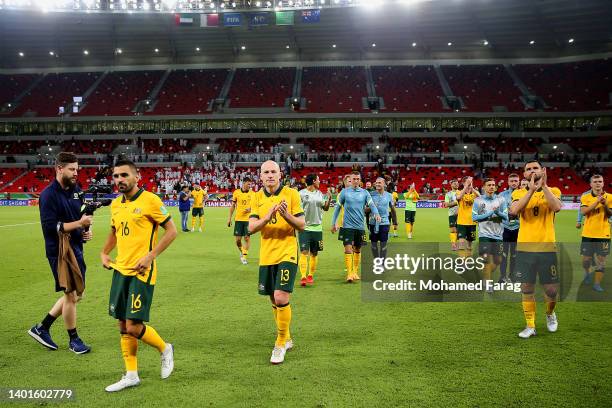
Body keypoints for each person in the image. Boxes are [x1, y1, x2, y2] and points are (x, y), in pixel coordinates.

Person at [101, 159, 177, 391]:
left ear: (137, 177)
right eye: (116, 176)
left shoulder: (151, 200)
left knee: (134, 326)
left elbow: (172, 231)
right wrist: (105, 252)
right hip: (120, 270)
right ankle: (131, 374)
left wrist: (150, 256)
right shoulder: (115, 205)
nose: (120, 180)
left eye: (124, 175)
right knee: (122, 325)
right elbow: (115, 230)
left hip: (141, 271)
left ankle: (165, 349)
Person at [28, 152, 93, 354]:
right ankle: (74, 340)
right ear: (59, 168)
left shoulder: (76, 189)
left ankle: (42, 327)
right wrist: (79, 224)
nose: (76, 173)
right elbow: (50, 228)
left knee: (77, 294)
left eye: (77, 169)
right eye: (72, 169)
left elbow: (81, 211)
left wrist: (85, 229)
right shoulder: (48, 195)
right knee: (71, 295)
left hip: (76, 247)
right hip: (59, 252)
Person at [248, 160, 305, 365]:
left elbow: (302, 225)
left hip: (287, 252)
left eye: (273, 171)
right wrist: (268, 216)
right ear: (261, 176)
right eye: (266, 172)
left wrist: (285, 214)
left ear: (280, 175)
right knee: (273, 299)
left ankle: (280, 343)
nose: (270, 175)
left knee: (281, 296)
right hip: (267, 255)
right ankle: (287, 337)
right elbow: (251, 227)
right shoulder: (256, 197)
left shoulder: (291, 194)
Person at [510, 161, 562, 339]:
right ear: (524, 174)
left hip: (547, 248)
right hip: (525, 249)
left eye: (535, 168)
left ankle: (550, 314)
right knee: (526, 288)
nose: (532, 171)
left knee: (551, 291)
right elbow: (514, 210)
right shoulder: (518, 193)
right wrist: (531, 190)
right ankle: (530, 325)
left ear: (543, 171)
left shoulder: (553, 190)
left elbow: (556, 207)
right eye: (528, 169)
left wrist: (544, 186)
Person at [331, 171, 381, 282]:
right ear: (351, 179)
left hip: (360, 226)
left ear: (360, 180)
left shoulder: (365, 193)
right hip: (347, 226)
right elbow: (337, 208)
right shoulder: (344, 192)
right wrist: (333, 222)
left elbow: (372, 205)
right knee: (348, 249)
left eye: (358, 179)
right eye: (354, 179)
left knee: (358, 249)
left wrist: (376, 213)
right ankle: (349, 274)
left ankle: (355, 271)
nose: (356, 181)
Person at [472, 178, 508, 293]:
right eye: (489, 185)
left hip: (498, 235)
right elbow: (474, 217)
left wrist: (497, 212)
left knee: (498, 260)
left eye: (493, 185)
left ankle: (485, 277)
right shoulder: (478, 200)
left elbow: (506, 217)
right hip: (484, 234)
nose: (492, 187)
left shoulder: (501, 200)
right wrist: (490, 213)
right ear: (484, 187)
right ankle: (488, 284)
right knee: (486, 259)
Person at [580, 175, 611, 292]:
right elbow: (584, 212)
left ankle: (597, 283)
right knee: (586, 260)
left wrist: (605, 205)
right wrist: (597, 202)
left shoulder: (610, 197)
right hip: (588, 234)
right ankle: (587, 273)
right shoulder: (585, 197)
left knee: (601, 260)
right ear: (591, 184)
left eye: (600, 181)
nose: (598, 183)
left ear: (603, 183)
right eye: (595, 182)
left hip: (604, 234)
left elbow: (610, 214)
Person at [298, 174, 331, 286]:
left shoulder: (320, 194)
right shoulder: (301, 194)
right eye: (318, 180)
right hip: (304, 227)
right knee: (304, 252)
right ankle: (303, 276)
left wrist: (329, 198)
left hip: (317, 228)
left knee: (314, 253)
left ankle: (310, 275)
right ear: (313, 181)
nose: (319, 181)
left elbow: (325, 208)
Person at [498, 174, 520, 282]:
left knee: (515, 255)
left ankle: (512, 276)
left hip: (518, 229)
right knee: (503, 254)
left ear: (519, 182)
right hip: (505, 229)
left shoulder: (524, 194)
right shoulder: (502, 195)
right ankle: (502, 276)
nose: (514, 183)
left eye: (516, 181)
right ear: (508, 182)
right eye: (512, 181)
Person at [228, 177, 255, 265]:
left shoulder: (253, 194)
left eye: (250, 184)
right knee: (238, 241)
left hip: (248, 219)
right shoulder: (236, 192)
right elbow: (232, 206)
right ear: (243, 183)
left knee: (247, 238)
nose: (249, 186)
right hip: (238, 219)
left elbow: (257, 206)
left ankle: (244, 256)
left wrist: (250, 209)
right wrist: (229, 218)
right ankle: (242, 251)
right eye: (248, 184)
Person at [368, 177, 395, 259]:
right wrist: (371, 207)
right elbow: (365, 210)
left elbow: (393, 209)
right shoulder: (371, 194)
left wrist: (395, 222)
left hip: (384, 222)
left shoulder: (389, 195)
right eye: (376, 183)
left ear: (384, 184)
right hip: (373, 222)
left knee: (383, 244)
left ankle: (382, 263)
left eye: (379, 183)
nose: (377, 184)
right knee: (373, 245)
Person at [456, 176, 480, 257]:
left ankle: (468, 260)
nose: (470, 183)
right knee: (461, 243)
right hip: (461, 222)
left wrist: (472, 188)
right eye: (468, 182)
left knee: (469, 246)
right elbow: (458, 197)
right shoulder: (459, 192)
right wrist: (465, 186)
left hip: (472, 222)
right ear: (463, 183)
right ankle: (462, 262)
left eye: (471, 181)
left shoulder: (474, 193)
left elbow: (480, 197)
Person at [443, 179, 460, 251]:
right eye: (454, 184)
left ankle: (460, 244)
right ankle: (453, 245)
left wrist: (452, 203)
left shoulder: (461, 192)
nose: (456, 184)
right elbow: (446, 205)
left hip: (461, 215)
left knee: (460, 231)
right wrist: (457, 202)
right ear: (451, 185)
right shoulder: (448, 194)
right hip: (452, 214)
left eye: (457, 183)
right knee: (453, 230)